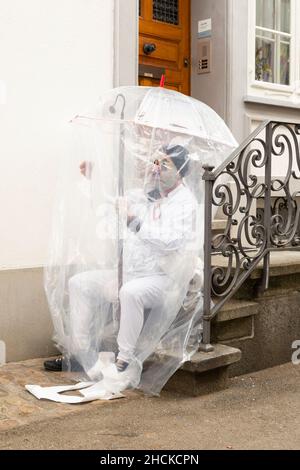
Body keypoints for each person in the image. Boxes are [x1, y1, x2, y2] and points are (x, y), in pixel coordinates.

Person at [44, 144, 197, 378]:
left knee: (130, 293)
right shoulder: (147, 193)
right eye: (156, 162)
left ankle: (124, 360)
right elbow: (110, 202)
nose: (156, 169)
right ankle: (81, 354)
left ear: (180, 171)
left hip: (164, 278)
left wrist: (134, 221)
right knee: (79, 283)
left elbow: (171, 241)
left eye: (165, 164)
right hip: (131, 272)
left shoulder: (185, 202)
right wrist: (93, 179)